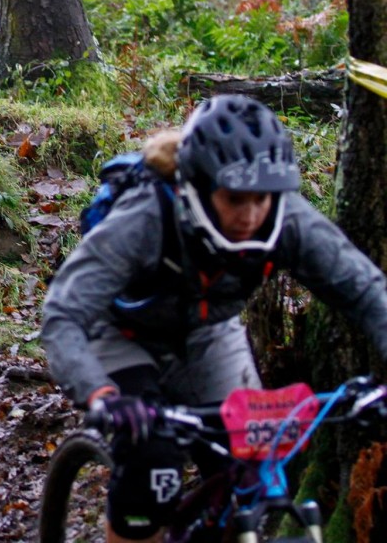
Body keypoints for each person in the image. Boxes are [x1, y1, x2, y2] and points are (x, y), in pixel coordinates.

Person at [41, 95, 387, 543]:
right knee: (153, 461)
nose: (250, 214)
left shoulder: (288, 220)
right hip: (122, 334)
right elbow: (65, 311)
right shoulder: (146, 215)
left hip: (208, 333)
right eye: (234, 198)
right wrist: (102, 396)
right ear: (198, 185)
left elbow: (366, 290)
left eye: (261, 198)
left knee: (252, 465)